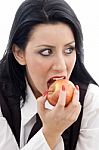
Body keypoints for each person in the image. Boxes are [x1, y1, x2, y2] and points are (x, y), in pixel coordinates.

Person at [0, 0, 99, 149]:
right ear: (19, 53)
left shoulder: (91, 102)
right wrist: (50, 133)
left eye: (68, 50)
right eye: (46, 52)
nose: (61, 66)